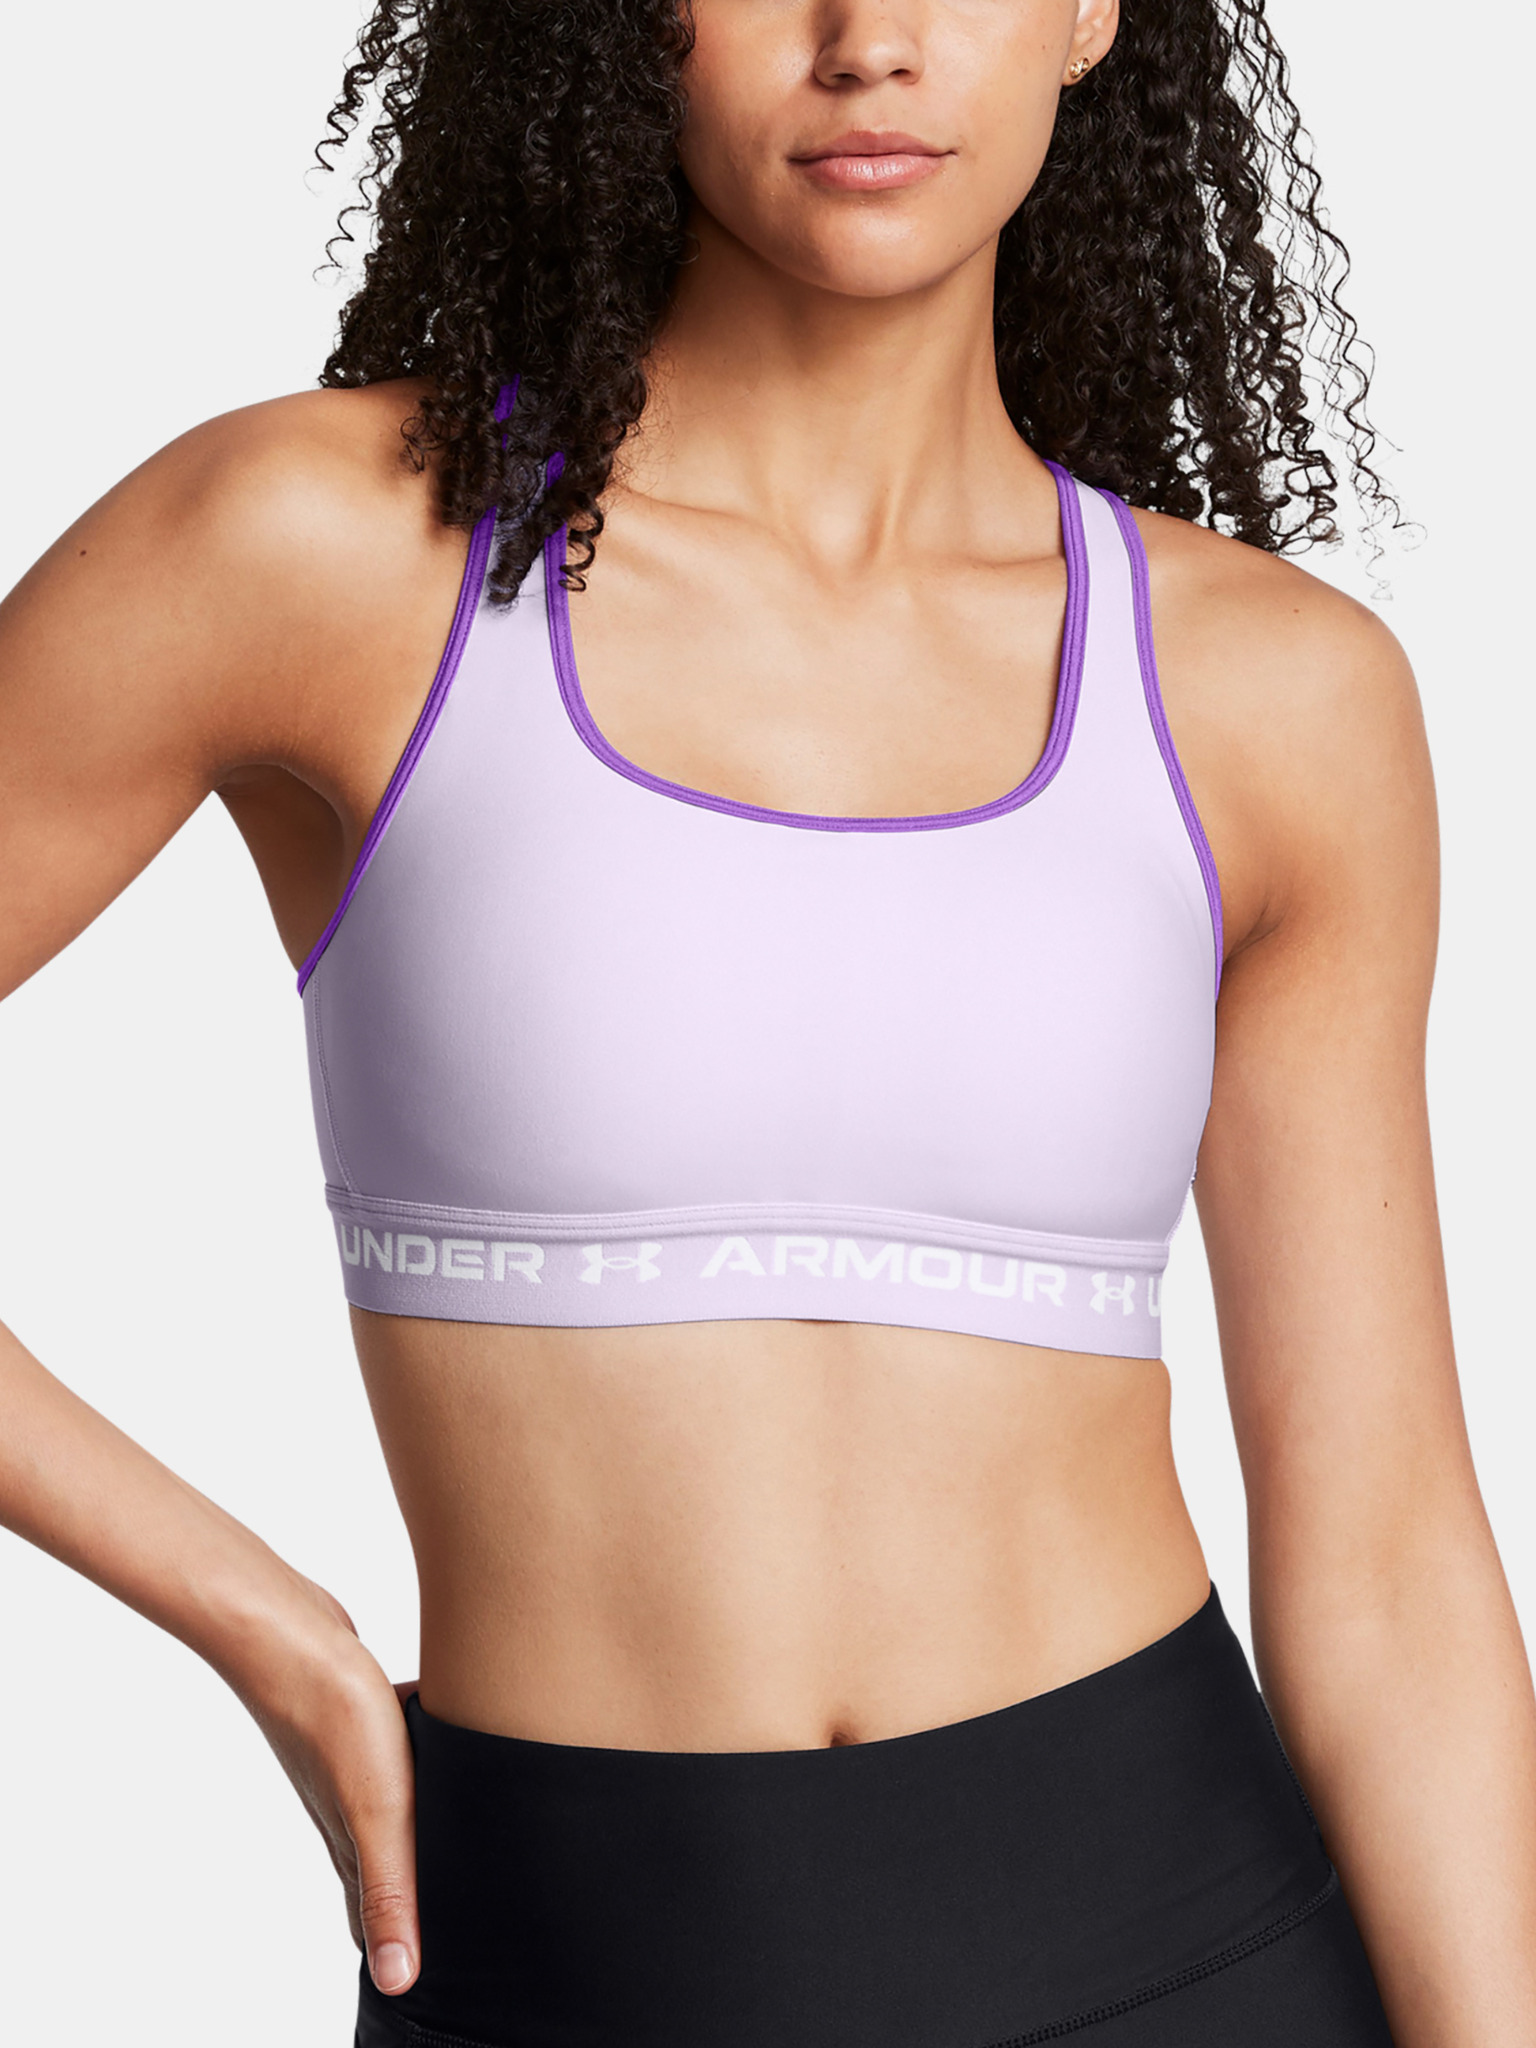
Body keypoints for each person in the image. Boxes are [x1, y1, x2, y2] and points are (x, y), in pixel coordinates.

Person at [2, 0, 1534, 2042]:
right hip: (554, 1964)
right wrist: (262, 1623)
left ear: (1094, 13)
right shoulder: (321, 546)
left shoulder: (1277, 694)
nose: (868, 40)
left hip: (1192, 1956)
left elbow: (1386, 1554)